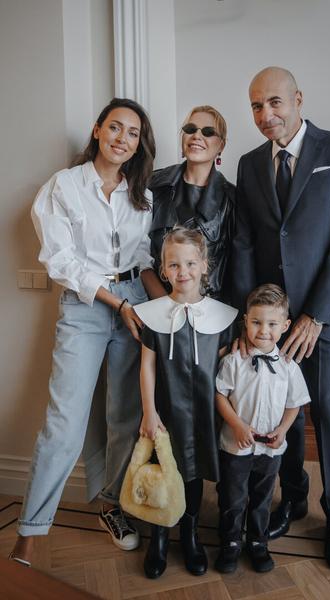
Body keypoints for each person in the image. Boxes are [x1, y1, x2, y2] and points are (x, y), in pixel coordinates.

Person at [10, 97, 164, 567]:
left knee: (124, 417)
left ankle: (112, 506)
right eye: (115, 127)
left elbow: (143, 261)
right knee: (64, 423)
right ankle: (29, 536)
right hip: (86, 307)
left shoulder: (142, 195)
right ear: (97, 130)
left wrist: (165, 310)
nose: (122, 139)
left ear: (139, 145)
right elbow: (61, 261)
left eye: (133, 133)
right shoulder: (63, 186)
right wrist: (116, 303)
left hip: (135, 303)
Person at [232, 67, 330, 571]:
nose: (266, 114)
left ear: (298, 99)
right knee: (279, 409)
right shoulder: (249, 164)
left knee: (326, 410)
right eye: (256, 106)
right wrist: (250, 322)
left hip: (324, 315)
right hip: (271, 322)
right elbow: (246, 244)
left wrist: (314, 315)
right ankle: (292, 498)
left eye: (275, 102)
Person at [135, 227, 237, 579]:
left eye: (191, 263)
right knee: (164, 469)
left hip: (205, 414)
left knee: (194, 471)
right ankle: (160, 535)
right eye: (174, 265)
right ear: (163, 270)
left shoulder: (222, 317)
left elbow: (226, 369)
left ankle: (190, 533)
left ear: (204, 265)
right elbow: (147, 367)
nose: (183, 272)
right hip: (165, 412)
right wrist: (149, 412)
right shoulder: (153, 315)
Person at [215, 284, 311, 574]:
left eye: (271, 324)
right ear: (245, 321)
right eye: (256, 322)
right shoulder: (234, 361)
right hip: (236, 445)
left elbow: (294, 404)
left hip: (270, 449)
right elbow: (219, 396)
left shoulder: (288, 367)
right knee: (233, 497)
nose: (264, 331)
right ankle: (230, 542)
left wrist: (283, 429)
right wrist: (237, 425)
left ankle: (258, 542)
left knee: (262, 497)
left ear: (285, 326)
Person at [149, 105, 235, 301]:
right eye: (190, 129)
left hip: (209, 309)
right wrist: (162, 303)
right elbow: (138, 253)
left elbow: (237, 268)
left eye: (208, 132)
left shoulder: (232, 199)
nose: (197, 136)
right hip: (154, 304)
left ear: (221, 146)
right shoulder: (153, 185)